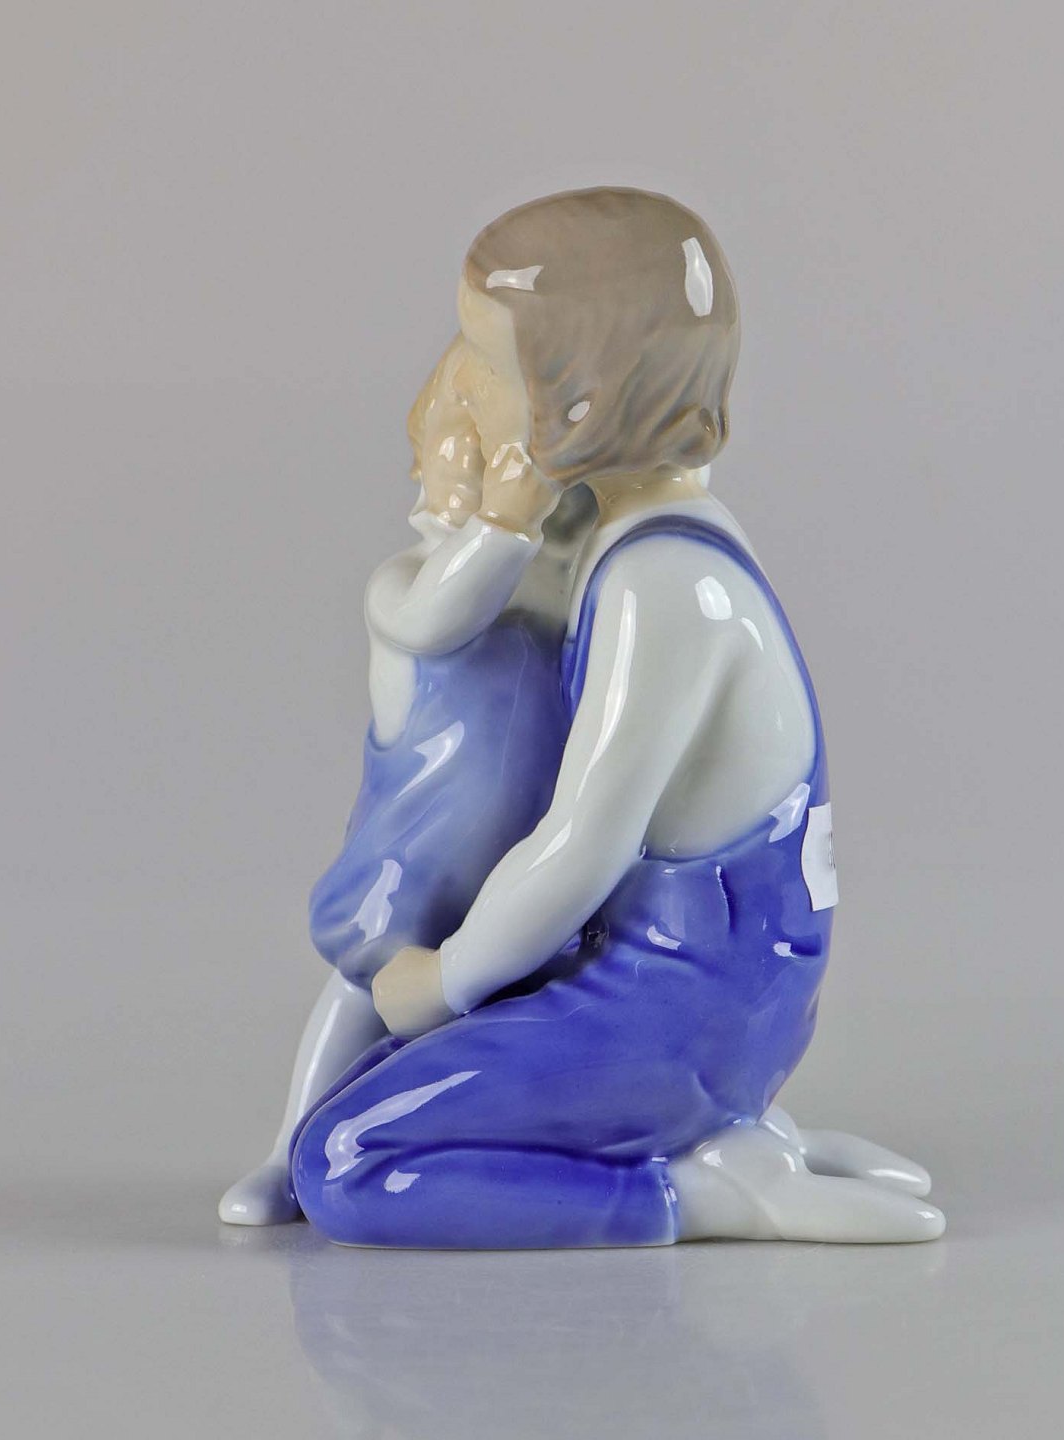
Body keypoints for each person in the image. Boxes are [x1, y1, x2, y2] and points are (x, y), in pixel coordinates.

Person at [288, 189, 943, 1247]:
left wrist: (443, 982)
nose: (455, 385)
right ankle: (727, 1134)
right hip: (688, 987)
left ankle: (700, 1191)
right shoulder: (650, 537)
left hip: (683, 1008)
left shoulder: (661, 585)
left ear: (579, 408)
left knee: (348, 1158)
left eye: (483, 362)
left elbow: (581, 847)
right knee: (397, 1078)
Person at [219, 343, 589, 1223]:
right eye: (483, 461)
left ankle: (469, 1147)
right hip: (416, 861)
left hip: (518, 871)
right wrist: (504, 526)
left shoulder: (557, 605)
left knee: (511, 1005)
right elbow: (440, 618)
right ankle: (288, 1153)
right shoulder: (402, 590)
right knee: (364, 994)